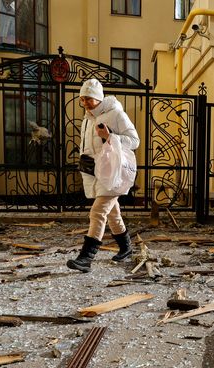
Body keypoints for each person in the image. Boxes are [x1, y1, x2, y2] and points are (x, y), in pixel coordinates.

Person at [67, 78, 139, 273]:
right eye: (82, 99)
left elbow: (135, 140)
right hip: (94, 171)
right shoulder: (87, 118)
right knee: (113, 214)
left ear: (99, 98)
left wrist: (110, 137)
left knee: (98, 212)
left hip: (113, 171)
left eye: (89, 99)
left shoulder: (116, 113)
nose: (85, 103)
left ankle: (85, 258)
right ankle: (126, 248)